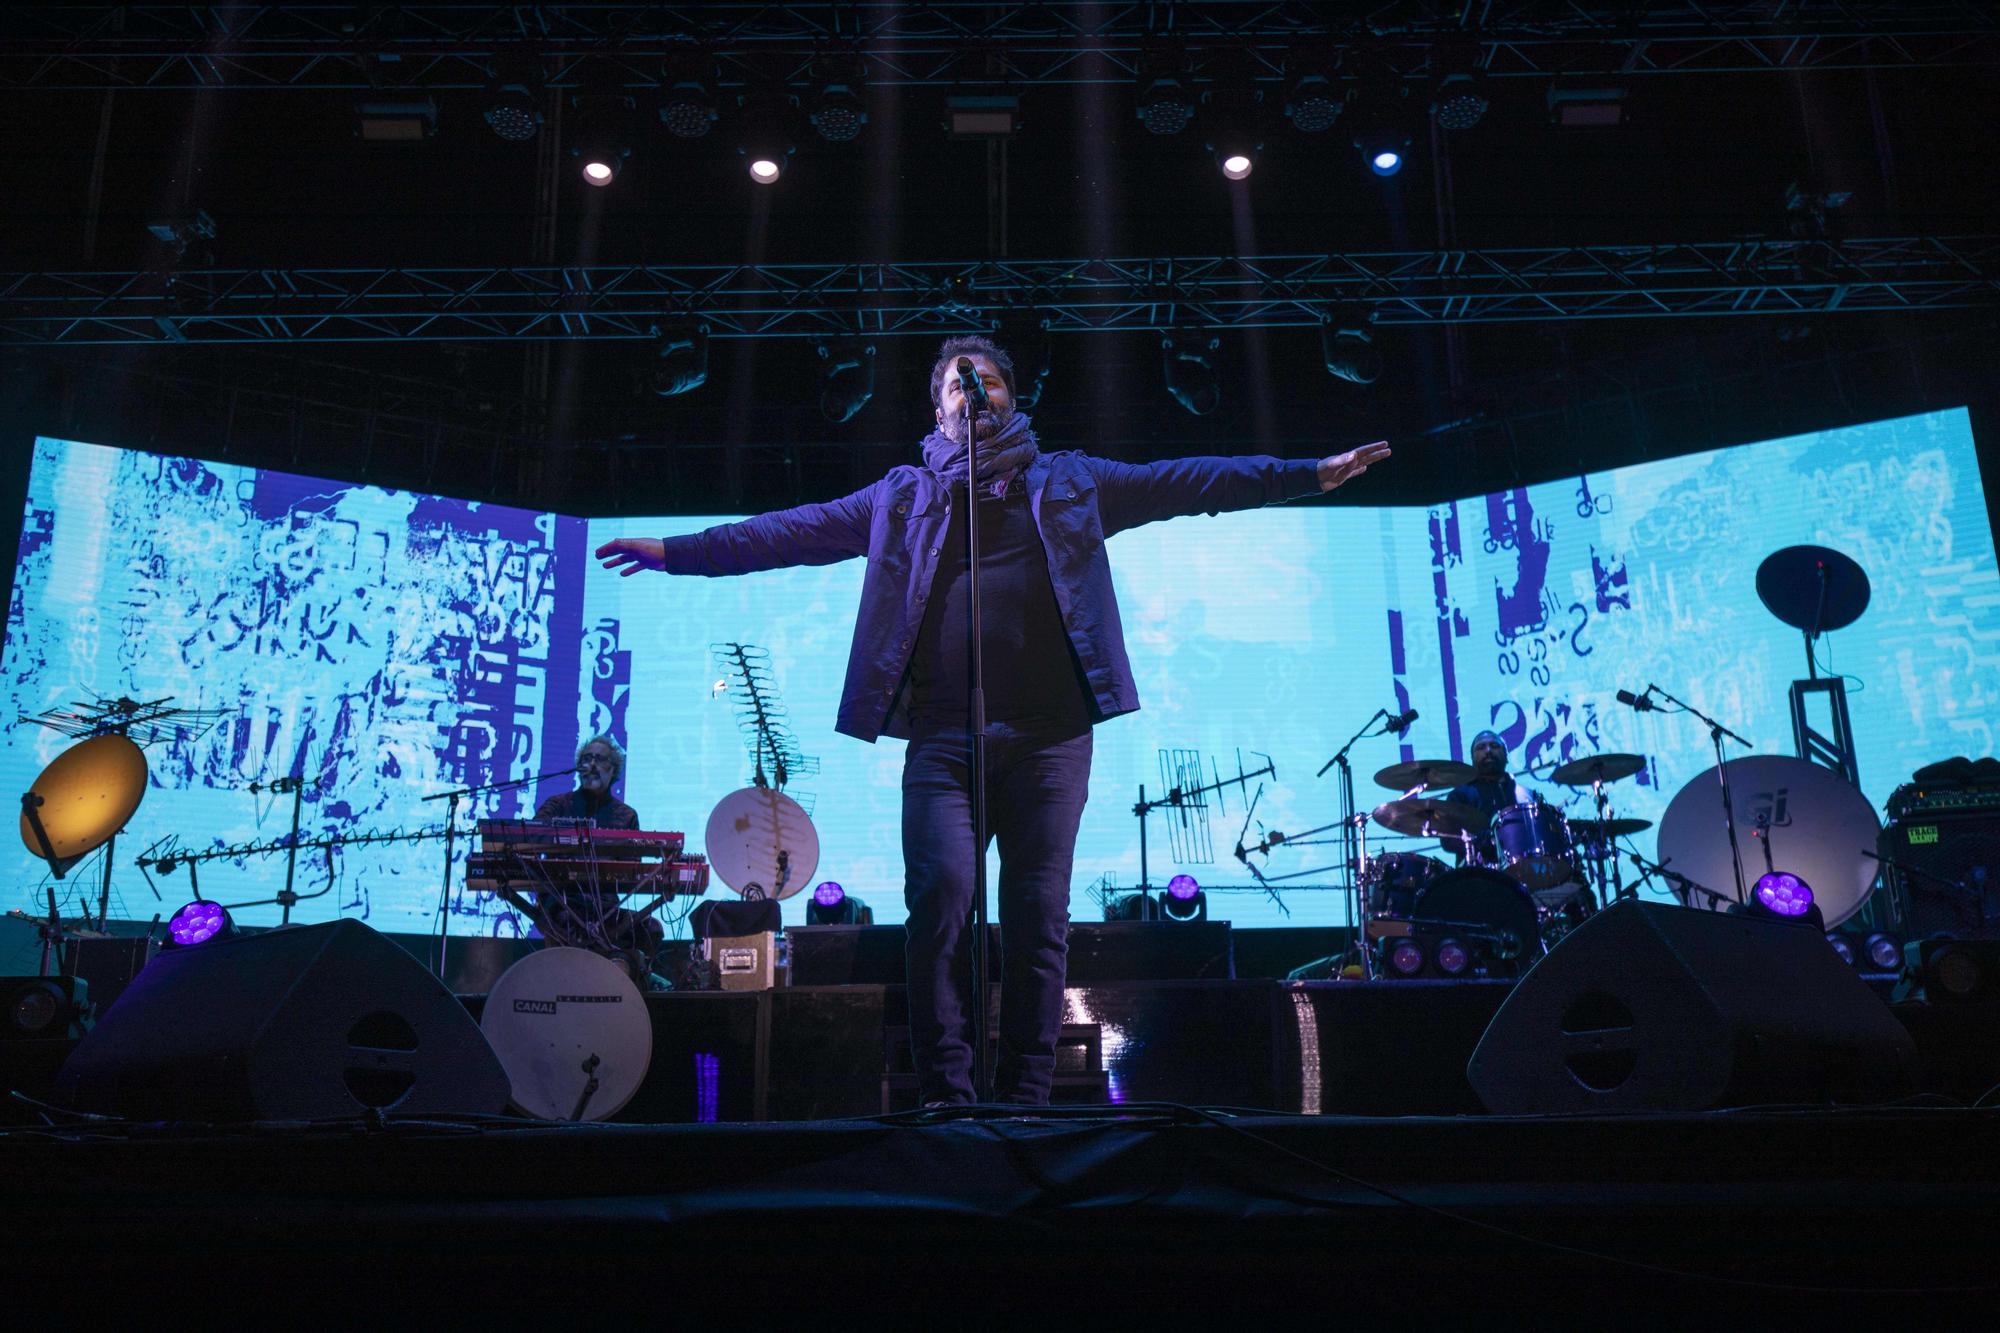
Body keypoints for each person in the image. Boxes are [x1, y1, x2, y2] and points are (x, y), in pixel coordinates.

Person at [597, 334, 1389, 1106]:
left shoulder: (1071, 480)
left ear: (1009, 397)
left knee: (1037, 914)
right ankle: (949, 1090)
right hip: (944, 739)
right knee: (941, 895)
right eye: (954, 383)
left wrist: (1305, 475)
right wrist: (677, 548)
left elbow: (1182, 481)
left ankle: (1025, 1095)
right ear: (939, 409)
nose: (971, 393)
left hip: (1050, 738)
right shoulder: (902, 496)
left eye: (986, 382)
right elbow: (789, 531)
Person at [533, 734, 639, 829]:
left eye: (600, 759)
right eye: (587, 758)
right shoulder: (557, 806)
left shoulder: (627, 817)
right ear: (579, 767)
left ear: (613, 770)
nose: (592, 764)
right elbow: (529, 839)